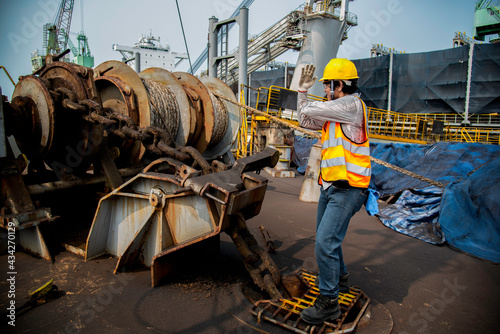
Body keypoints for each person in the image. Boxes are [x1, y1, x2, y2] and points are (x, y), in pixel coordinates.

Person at [297, 59, 371, 324]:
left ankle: (329, 303)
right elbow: (305, 119)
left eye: (328, 85)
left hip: (349, 189)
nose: (326, 89)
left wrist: (305, 94)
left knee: (324, 243)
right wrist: (302, 95)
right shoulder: (335, 112)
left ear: (339, 85)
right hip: (331, 186)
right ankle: (341, 281)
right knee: (327, 239)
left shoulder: (350, 106)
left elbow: (312, 109)